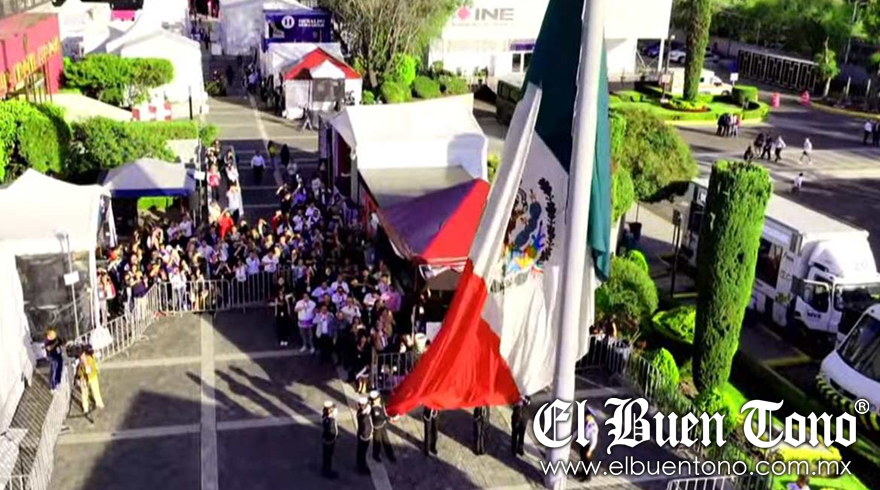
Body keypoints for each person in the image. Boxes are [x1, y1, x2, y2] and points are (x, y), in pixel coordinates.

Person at [369, 391, 396, 463]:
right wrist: (388, 418)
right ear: (374, 400)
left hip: (382, 425)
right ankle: (375, 455)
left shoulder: (379, 404)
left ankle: (390, 455)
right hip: (377, 427)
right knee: (377, 441)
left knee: (386, 440)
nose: (379, 399)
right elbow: (379, 418)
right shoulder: (375, 409)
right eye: (377, 398)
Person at [77, 347, 105, 413]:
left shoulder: (89, 359)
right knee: (84, 393)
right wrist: (81, 378)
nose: (81, 357)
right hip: (84, 379)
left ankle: (99, 402)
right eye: (80, 356)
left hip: (92, 377)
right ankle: (85, 407)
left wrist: (85, 364)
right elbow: (79, 372)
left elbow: (88, 371)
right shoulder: (80, 363)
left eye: (82, 355)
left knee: (95, 390)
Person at [578, 410, 599, 482]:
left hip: (588, 446)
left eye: (586, 416)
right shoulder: (586, 423)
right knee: (583, 459)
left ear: (590, 416)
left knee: (587, 462)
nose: (585, 417)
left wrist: (590, 450)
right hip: (583, 443)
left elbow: (594, 440)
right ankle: (583, 472)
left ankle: (587, 477)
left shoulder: (593, 427)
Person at [321, 400, 339, 479]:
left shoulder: (327, 416)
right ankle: (327, 471)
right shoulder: (329, 420)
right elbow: (331, 431)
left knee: (327, 456)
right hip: (329, 441)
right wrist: (334, 437)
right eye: (331, 409)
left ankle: (325, 469)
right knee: (328, 456)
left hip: (327, 439)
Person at [356, 397, 373, 475]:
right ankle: (362, 467)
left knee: (360, 451)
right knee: (362, 452)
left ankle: (359, 464)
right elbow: (366, 428)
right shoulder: (364, 416)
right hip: (364, 436)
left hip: (361, 433)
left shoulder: (361, 412)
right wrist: (368, 436)